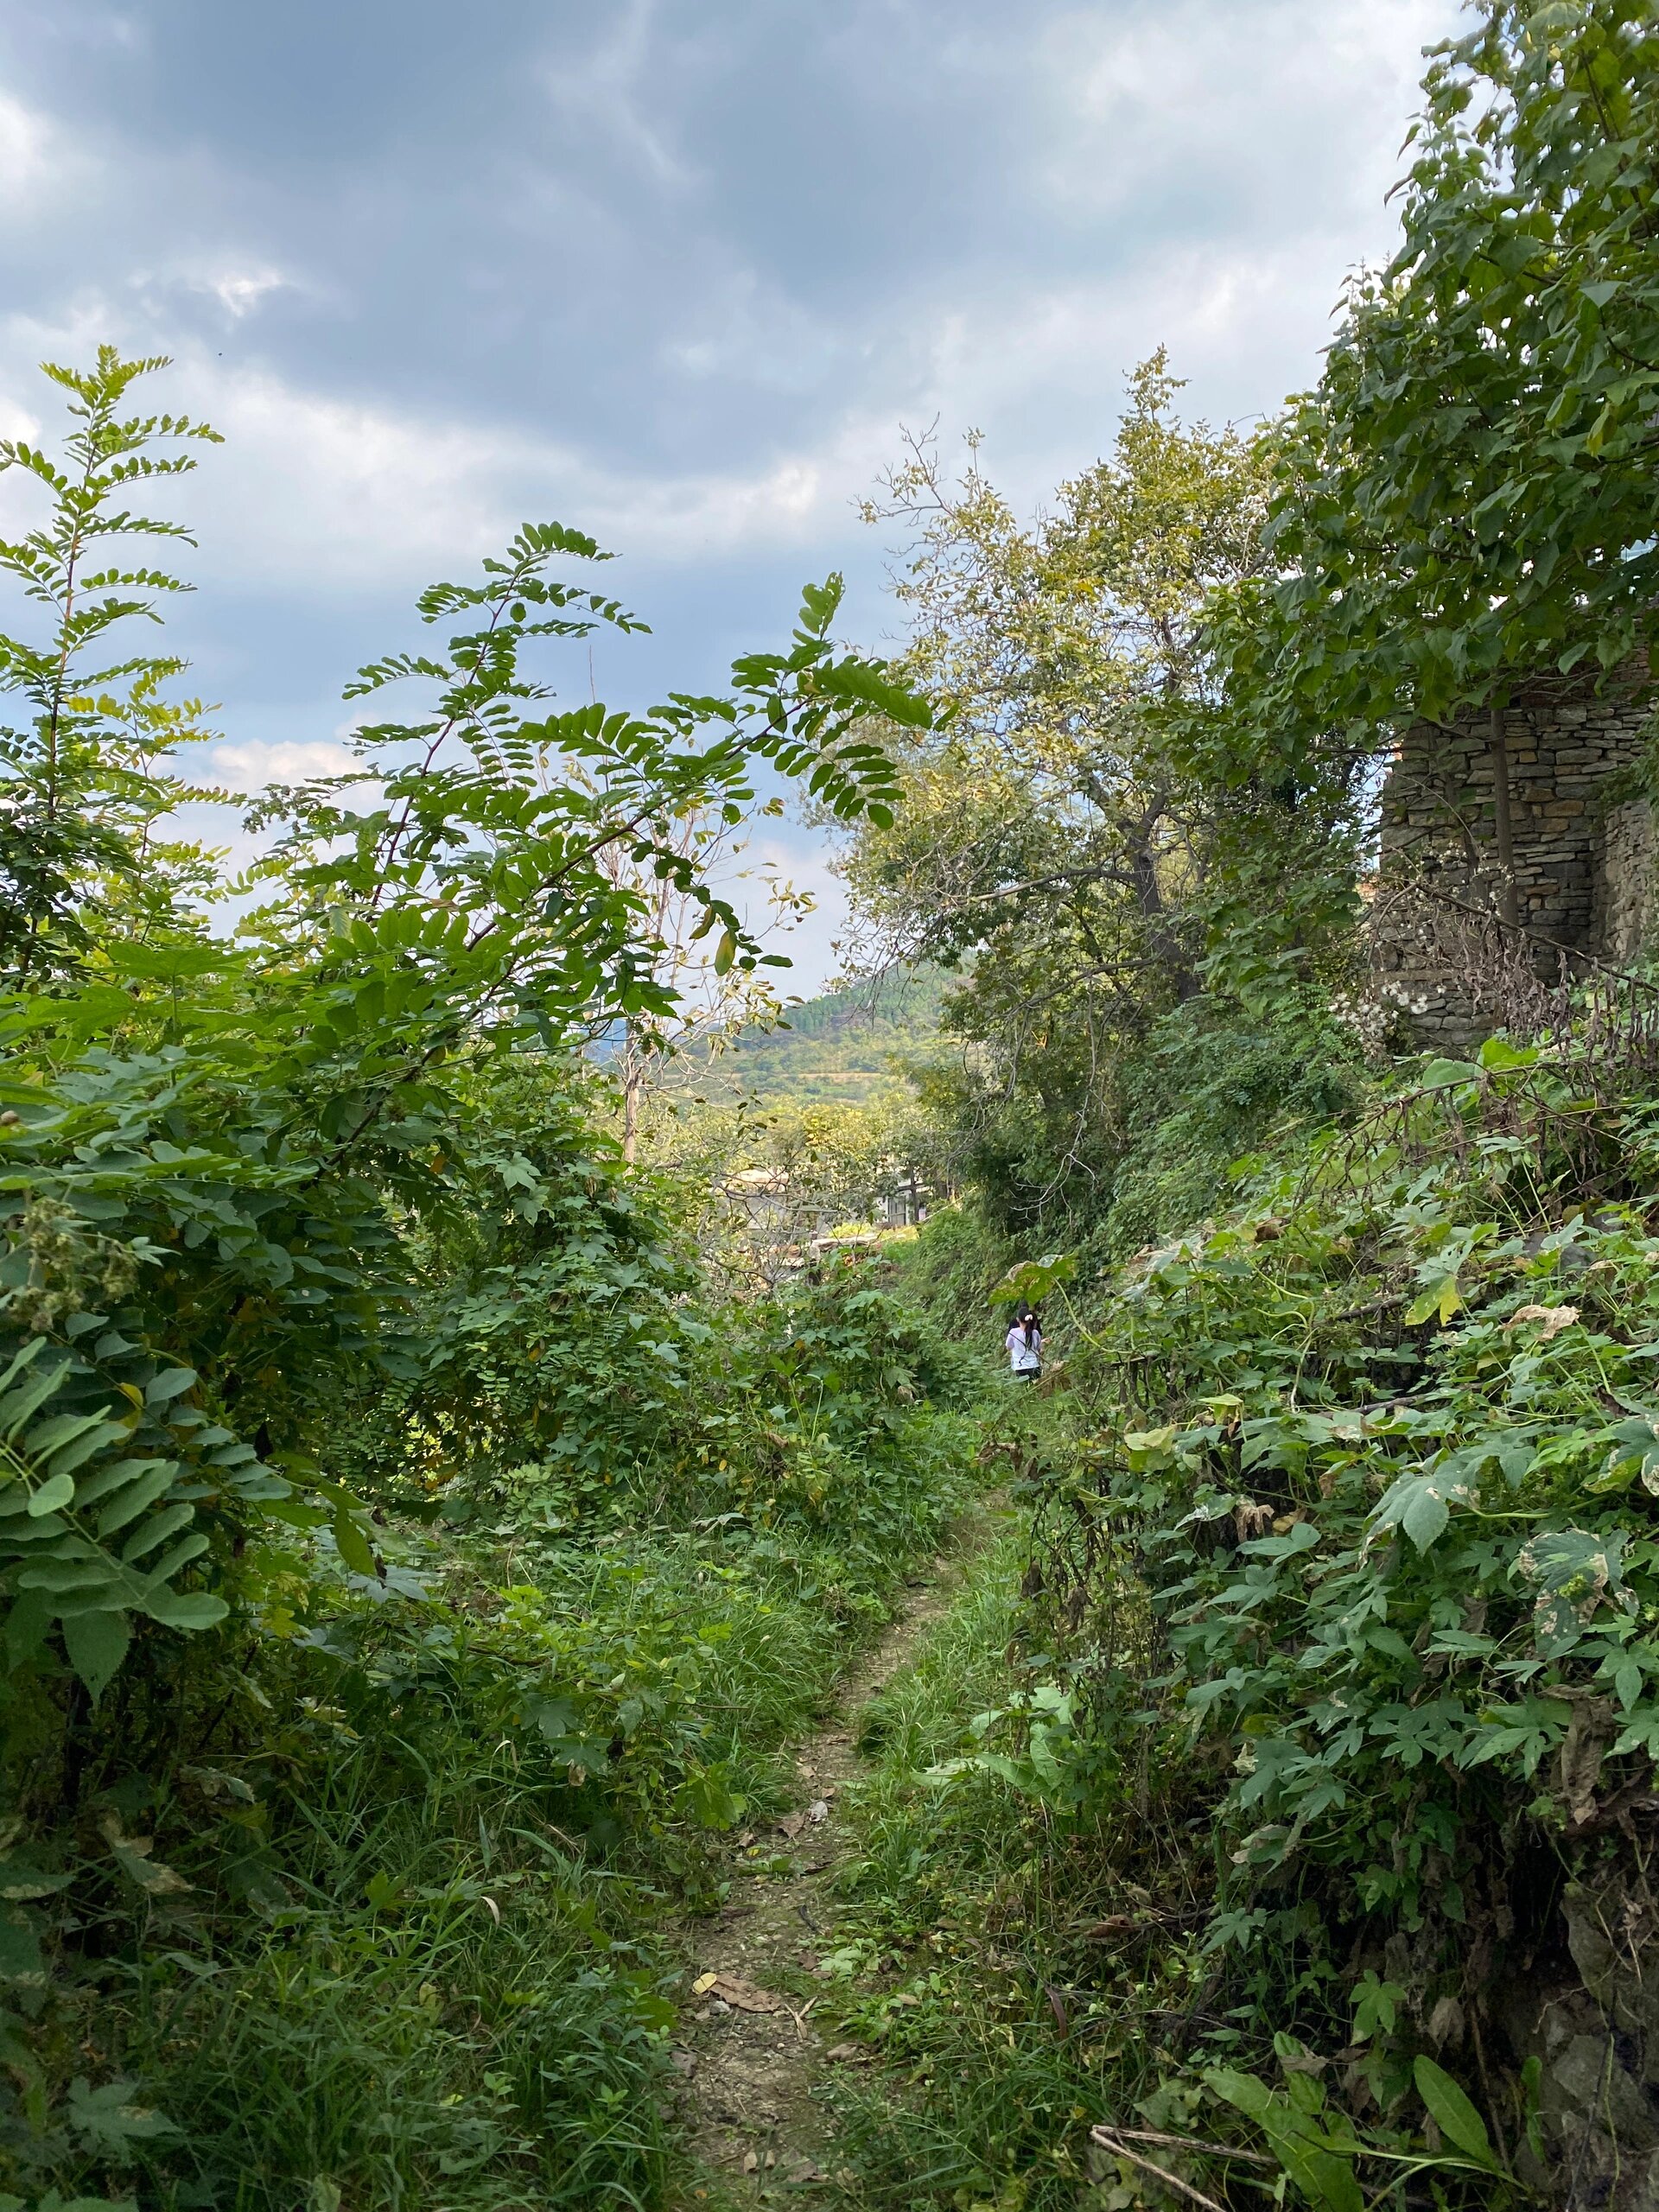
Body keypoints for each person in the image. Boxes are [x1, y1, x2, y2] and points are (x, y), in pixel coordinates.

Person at [1005, 1306, 1042, 1381]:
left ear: (1018, 1319)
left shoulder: (1013, 1332)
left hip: (1020, 1367)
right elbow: (1039, 1350)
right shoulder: (1035, 1333)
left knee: (1025, 1390)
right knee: (1037, 1390)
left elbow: (1008, 1347)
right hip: (1035, 1366)